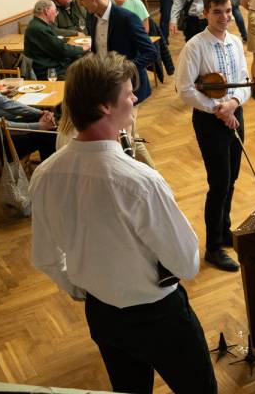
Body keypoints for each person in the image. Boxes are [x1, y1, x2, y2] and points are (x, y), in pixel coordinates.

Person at [30, 53, 216, 394]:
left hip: (103, 316)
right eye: (129, 93)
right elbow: (187, 264)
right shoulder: (141, 182)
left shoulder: (44, 175)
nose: (134, 98)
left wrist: (81, 287)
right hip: (159, 316)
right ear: (104, 107)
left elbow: (44, 257)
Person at [175, 0, 250, 272]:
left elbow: (242, 81)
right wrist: (219, 110)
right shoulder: (195, 46)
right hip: (209, 120)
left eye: (228, 11)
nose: (224, 17)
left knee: (231, 179)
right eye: (217, 12)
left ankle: (224, 229)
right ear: (205, 13)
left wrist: (231, 104)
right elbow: (184, 90)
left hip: (234, 113)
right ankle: (213, 248)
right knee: (218, 184)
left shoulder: (234, 43)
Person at [73, 0, 156, 167]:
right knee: (125, 136)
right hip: (106, 90)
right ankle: (151, 176)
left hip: (129, 89)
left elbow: (151, 52)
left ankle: (151, 178)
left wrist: (123, 71)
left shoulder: (126, 18)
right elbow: (97, 51)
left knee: (128, 137)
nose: (80, 4)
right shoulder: (92, 18)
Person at [23, 0, 89, 80]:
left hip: (51, 66)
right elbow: (61, 50)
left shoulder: (37, 24)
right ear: (46, 11)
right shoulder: (40, 28)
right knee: (84, 76)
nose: (56, 14)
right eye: (55, 11)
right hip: (50, 71)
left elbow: (54, 45)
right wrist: (82, 48)